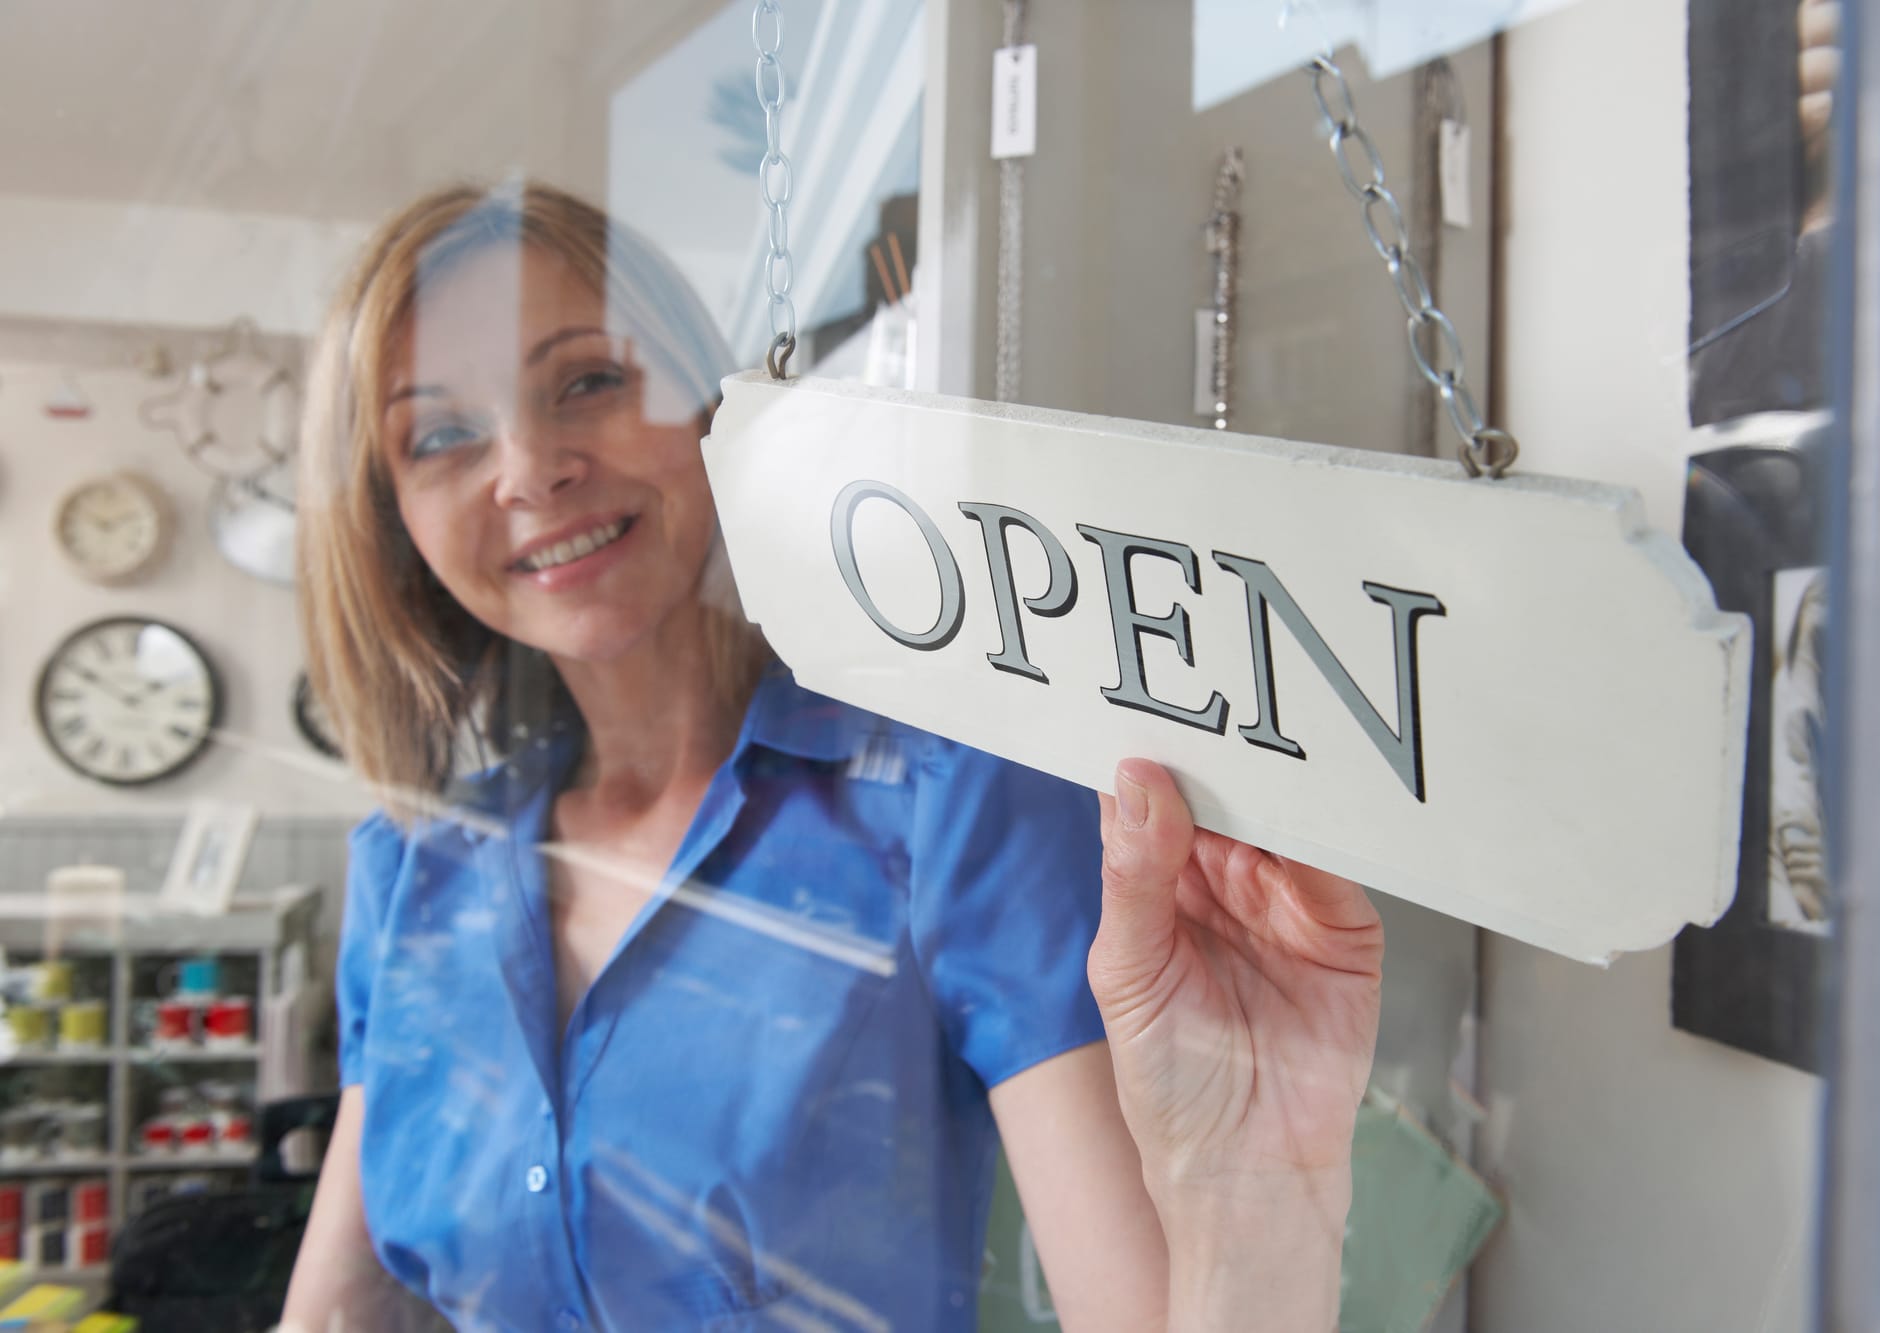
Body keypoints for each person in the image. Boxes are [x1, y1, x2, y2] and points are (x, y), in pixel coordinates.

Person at [281, 181, 1382, 1333]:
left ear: (708, 406)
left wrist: (1254, 1195)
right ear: (389, 515)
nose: (526, 468)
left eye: (589, 381)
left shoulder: (949, 799)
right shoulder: (415, 871)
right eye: (442, 436)